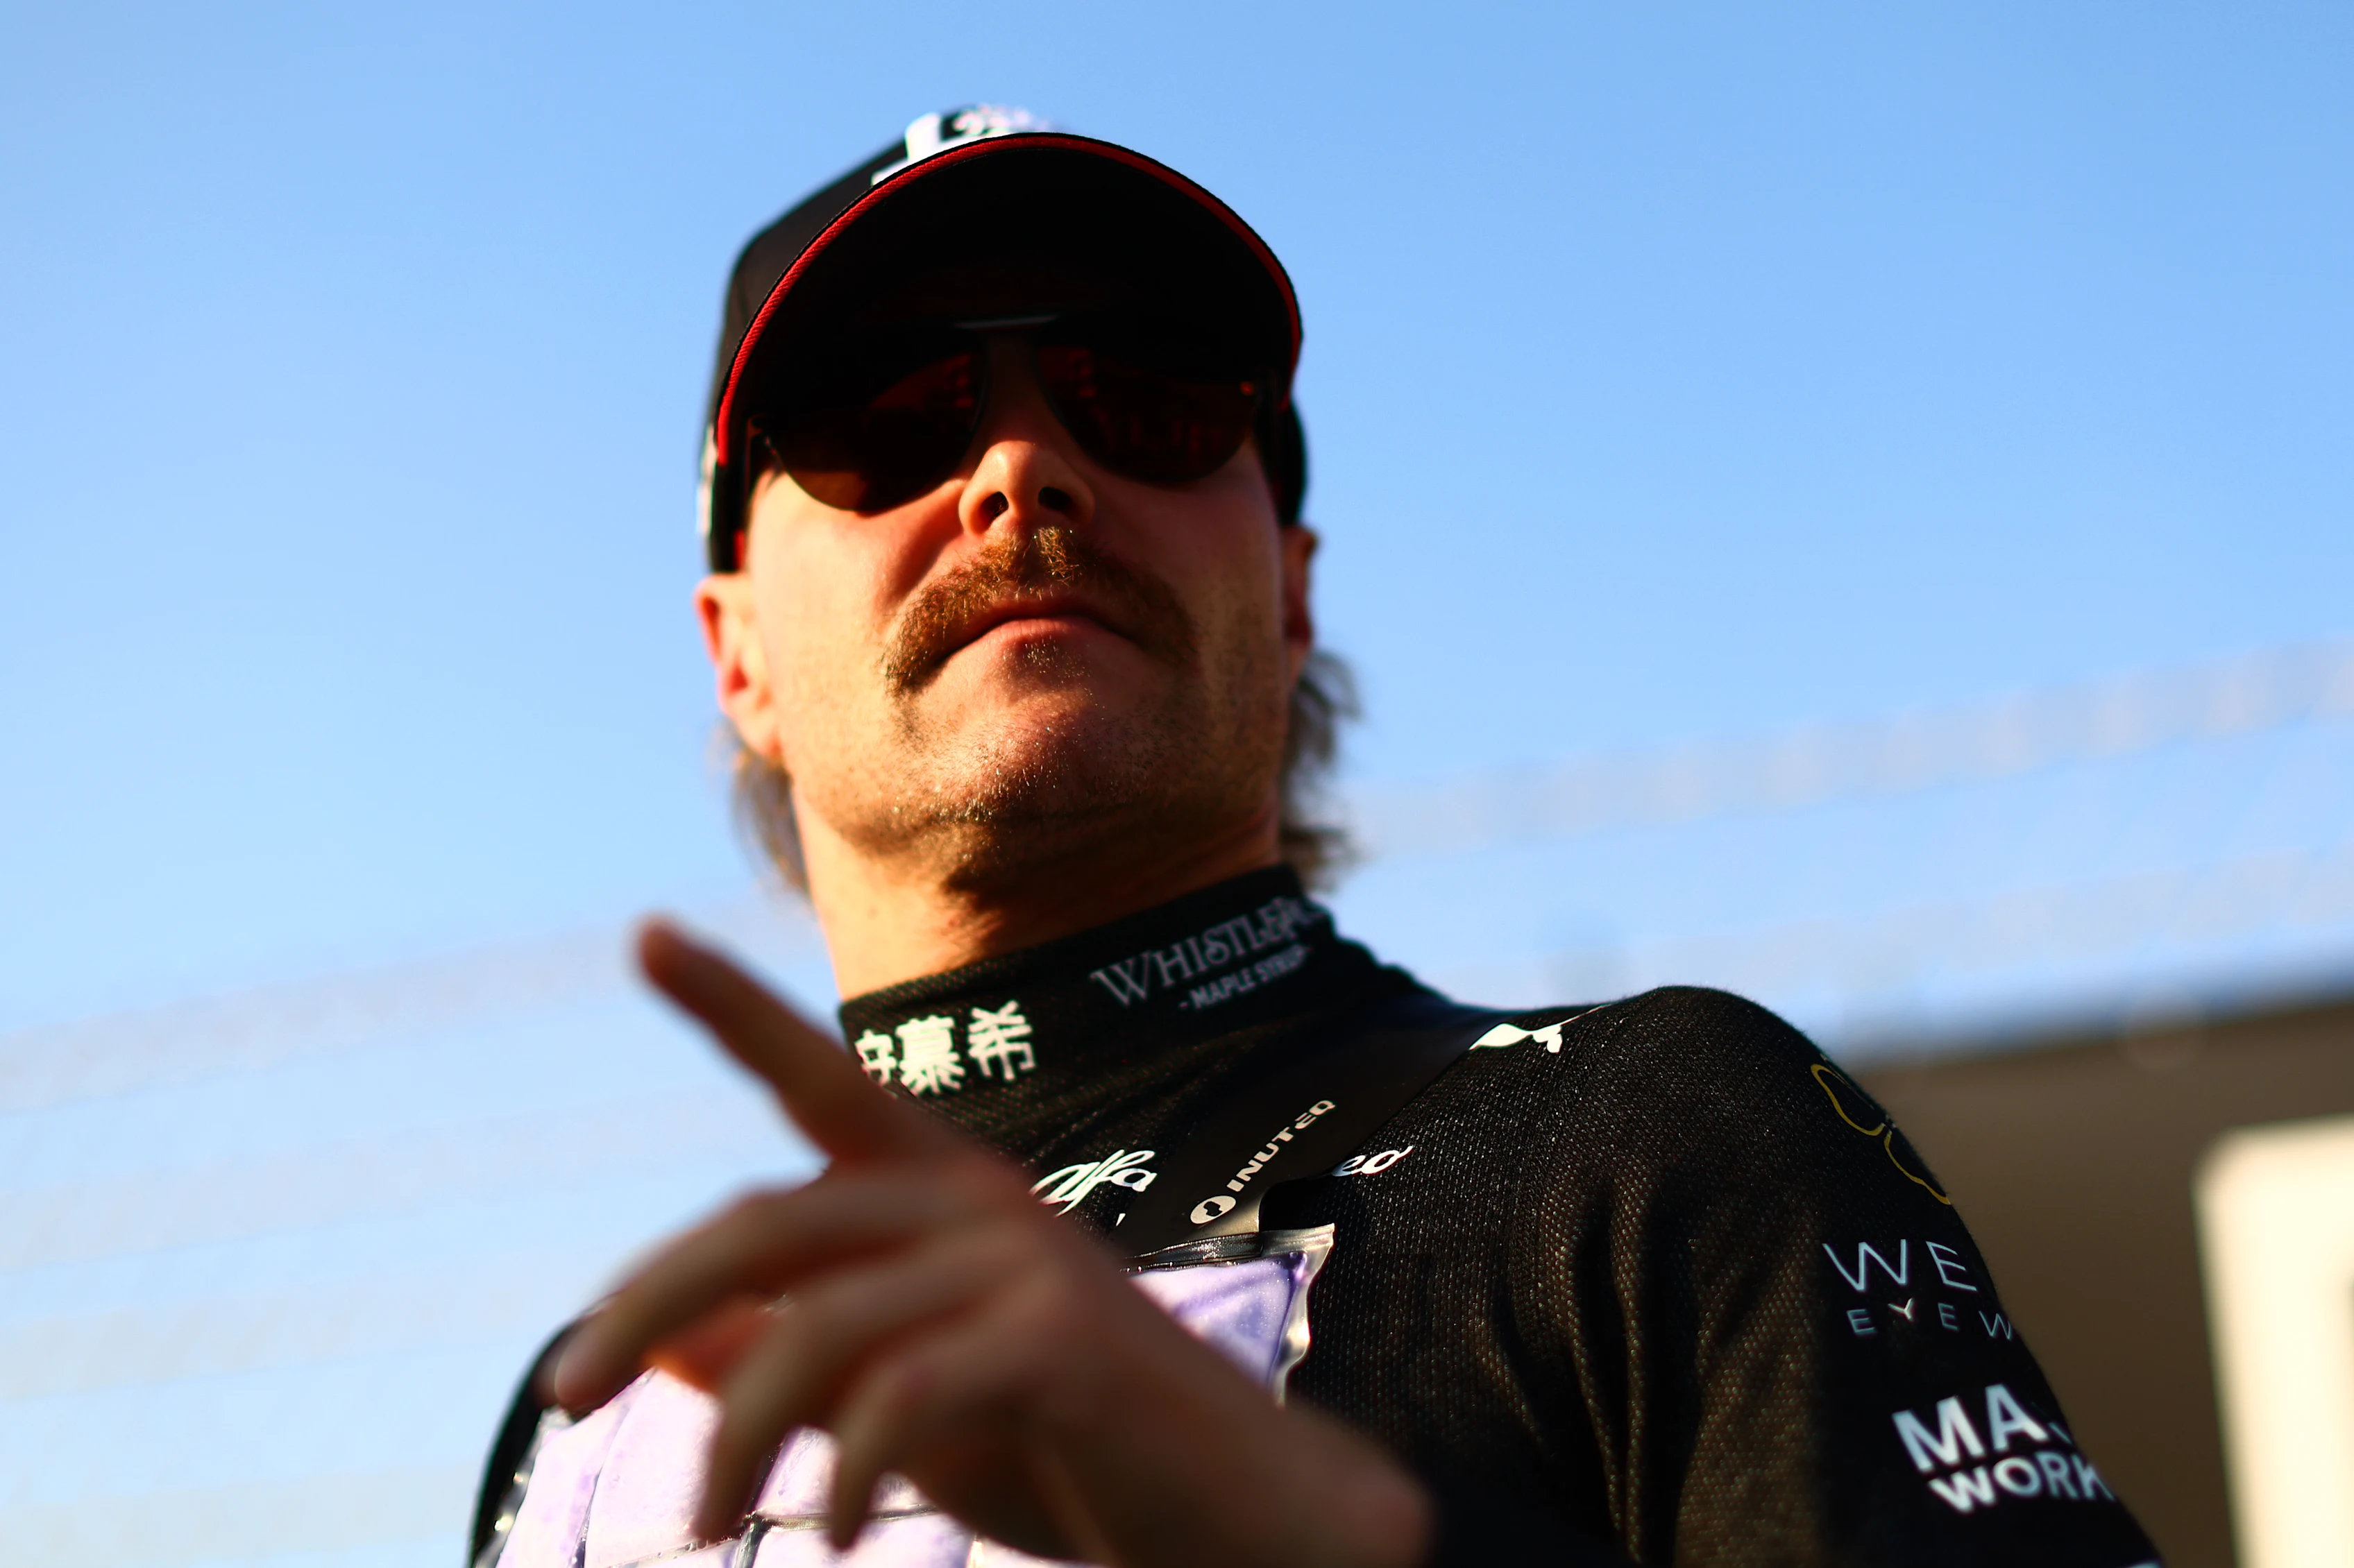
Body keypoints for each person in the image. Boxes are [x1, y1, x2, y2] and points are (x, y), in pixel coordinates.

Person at [471, 107, 2162, 1568]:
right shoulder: (594, 1409)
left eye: (1141, 394)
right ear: (738, 656)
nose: (1020, 465)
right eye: (887, 410)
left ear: (1290, 593)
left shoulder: (1651, 1140)